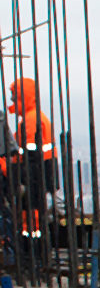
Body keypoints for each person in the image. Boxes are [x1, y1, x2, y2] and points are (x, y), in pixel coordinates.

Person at [3, 78, 55, 248]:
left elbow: (29, 154)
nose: (11, 101)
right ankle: (32, 249)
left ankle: (32, 250)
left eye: (14, 97)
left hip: (33, 174)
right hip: (36, 173)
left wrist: (11, 166)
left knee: (31, 217)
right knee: (31, 215)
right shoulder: (32, 117)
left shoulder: (32, 120)